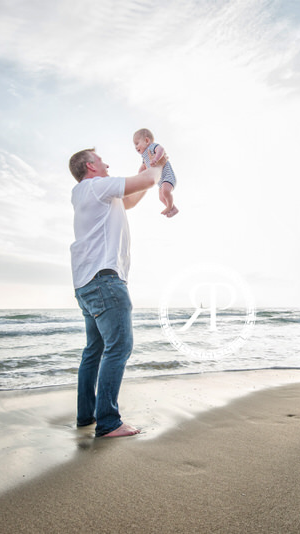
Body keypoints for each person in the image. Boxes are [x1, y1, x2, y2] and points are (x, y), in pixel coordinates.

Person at [67, 148, 166, 437]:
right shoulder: (97, 186)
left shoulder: (86, 192)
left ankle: (86, 415)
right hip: (105, 280)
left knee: (94, 351)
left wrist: (146, 168)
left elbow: (132, 198)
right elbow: (148, 180)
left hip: (86, 283)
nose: (107, 163)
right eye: (101, 160)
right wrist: (160, 163)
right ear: (90, 166)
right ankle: (108, 422)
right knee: (119, 346)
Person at [133, 128, 178, 217]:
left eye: (137, 143)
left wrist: (156, 158)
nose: (135, 147)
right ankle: (173, 209)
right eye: (134, 145)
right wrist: (138, 177)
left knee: (165, 191)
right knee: (161, 197)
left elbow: (161, 149)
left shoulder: (152, 147)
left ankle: (169, 206)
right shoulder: (144, 157)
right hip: (161, 182)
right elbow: (143, 167)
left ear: (146, 140)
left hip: (167, 177)